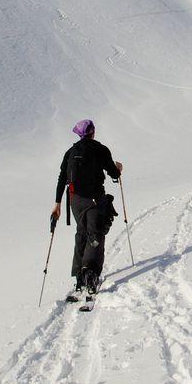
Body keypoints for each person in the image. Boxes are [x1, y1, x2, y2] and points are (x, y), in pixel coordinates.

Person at [52, 119, 123, 295]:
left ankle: (79, 276)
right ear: (93, 132)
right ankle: (90, 274)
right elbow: (114, 173)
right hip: (94, 199)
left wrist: (57, 204)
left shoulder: (70, 152)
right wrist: (118, 168)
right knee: (95, 234)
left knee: (82, 232)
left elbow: (62, 178)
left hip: (74, 200)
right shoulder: (101, 149)